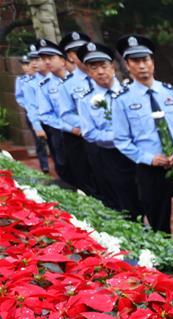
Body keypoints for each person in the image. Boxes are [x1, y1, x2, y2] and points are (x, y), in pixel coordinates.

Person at [112, 34, 173, 258]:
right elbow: (122, 140)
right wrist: (148, 158)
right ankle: (167, 265)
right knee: (159, 224)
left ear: (152, 62)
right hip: (151, 171)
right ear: (128, 65)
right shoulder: (122, 100)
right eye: (136, 61)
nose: (142, 65)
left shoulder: (172, 94)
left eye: (146, 59)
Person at [75, 42, 141, 220]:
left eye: (104, 66)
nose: (100, 71)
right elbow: (89, 132)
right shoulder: (85, 99)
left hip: (138, 155)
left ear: (112, 66)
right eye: (93, 67)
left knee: (147, 198)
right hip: (112, 156)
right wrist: (120, 138)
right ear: (88, 72)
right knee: (124, 203)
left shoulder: (131, 92)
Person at [59, 31, 99, 197]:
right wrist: (89, 123)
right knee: (88, 179)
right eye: (76, 52)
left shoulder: (103, 76)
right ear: (70, 56)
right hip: (82, 139)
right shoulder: (68, 84)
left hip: (109, 139)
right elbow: (66, 114)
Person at [35, 39, 72, 185]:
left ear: (63, 60)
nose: (47, 62)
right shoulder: (44, 85)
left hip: (86, 131)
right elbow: (45, 114)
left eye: (50, 58)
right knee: (63, 166)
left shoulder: (77, 80)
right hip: (60, 132)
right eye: (44, 59)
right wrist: (65, 125)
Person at [14, 51, 50, 173]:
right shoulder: (22, 80)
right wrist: (28, 106)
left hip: (47, 114)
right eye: (24, 64)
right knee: (39, 140)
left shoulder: (44, 78)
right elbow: (19, 97)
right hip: (32, 113)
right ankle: (44, 164)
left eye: (27, 63)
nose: (26, 66)